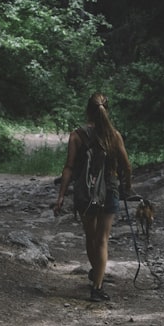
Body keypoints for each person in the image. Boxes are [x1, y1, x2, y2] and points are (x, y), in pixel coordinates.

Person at [53, 93, 132, 301]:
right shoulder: (114, 136)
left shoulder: (77, 136)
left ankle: (96, 270)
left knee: (91, 237)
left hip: (84, 193)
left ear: (88, 110)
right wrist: (127, 186)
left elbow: (69, 168)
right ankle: (97, 286)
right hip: (110, 191)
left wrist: (61, 196)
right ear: (107, 109)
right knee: (103, 240)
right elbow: (126, 166)